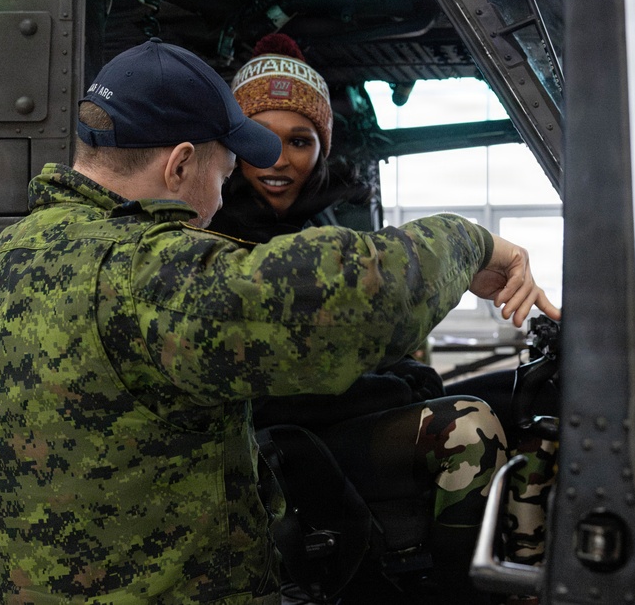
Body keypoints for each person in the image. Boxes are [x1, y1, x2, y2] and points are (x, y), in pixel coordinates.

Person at [0, 37, 560, 605]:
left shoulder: (10, 259)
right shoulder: (141, 273)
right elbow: (357, 300)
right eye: (224, 174)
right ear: (180, 165)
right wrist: (472, 243)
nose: (219, 199)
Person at [211, 33, 558, 571]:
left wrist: (402, 375)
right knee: (468, 427)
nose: (278, 159)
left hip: (332, 429)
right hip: (272, 446)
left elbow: (361, 340)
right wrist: (390, 388)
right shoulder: (213, 238)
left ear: (323, 147)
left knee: (535, 406)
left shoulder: (329, 225)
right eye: (259, 139)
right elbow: (279, 388)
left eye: (300, 141)